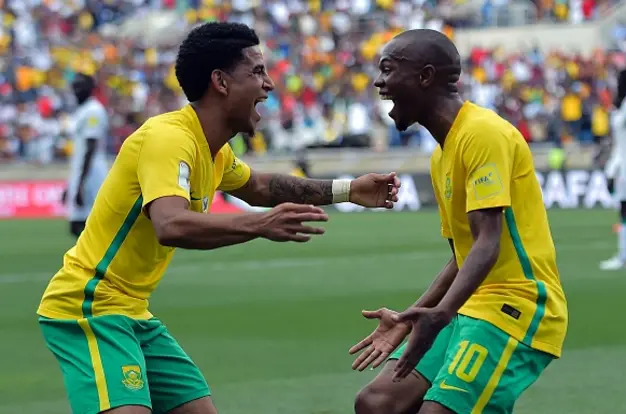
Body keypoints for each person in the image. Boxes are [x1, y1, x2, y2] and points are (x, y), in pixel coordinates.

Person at [37, 22, 401, 414]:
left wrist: (349, 191)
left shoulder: (213, 150)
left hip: (132, 311)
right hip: (89, 305)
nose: (269, 85)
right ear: (221, 82)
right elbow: (170, 224)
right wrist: (260, 225)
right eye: (257, 72)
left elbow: (261, 187)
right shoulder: (167, 138)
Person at [349, 29, 568, 414]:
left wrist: (442, 313)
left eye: (387, 70)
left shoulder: (482, 133)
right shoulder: (442, 153)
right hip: (470, 304)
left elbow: (488, 241)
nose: (379, 82)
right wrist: (408, 319)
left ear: (425, 76)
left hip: (516, 304)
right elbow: (463, 255)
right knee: (376, 403)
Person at [600, 68, 626, 270]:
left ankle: (624, 258)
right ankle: (624, 257)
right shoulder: (624, 105)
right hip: (625, 165)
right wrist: (611, 170)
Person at [61, 73, 110, 238]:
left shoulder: (94, 111)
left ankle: (99, 259)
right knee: (78, 226)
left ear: (91, 89)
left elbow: (91, 147)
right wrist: (71, 185)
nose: (76, 90)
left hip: (91, 174)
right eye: (74, 86)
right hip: (81, 173)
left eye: (80, 86)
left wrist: (81, 184)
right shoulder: (81, 110)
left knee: (83, 225)